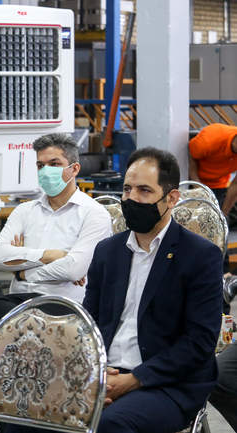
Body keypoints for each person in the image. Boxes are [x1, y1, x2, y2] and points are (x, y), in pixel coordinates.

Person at [82, 147, 223, 433]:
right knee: (23, 414)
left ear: (171, 198)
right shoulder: (108, 251)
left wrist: (134, 380)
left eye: (144, 191)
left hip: (167, 383)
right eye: (127, 189)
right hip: (105, 373)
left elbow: (199, 342)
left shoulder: (200, 255)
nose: (131, 198)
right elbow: (88, 322)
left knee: (110, 424)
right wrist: (94, 372)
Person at [0, 133, 112, 331]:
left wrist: (22, 273)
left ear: (74, 169)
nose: (46, 171)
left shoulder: (94, 214)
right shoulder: (24, 211)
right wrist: (50, 255)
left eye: (54, 164)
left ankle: (23, 339)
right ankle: (28, 338)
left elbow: (73, 270)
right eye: (41, 165)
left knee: (13, 325)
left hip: (64, 305)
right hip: (20, 301)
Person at [188, 123, 237, 212]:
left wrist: (223, 214)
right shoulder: (209, 140)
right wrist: (197, 185)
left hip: (218, 184)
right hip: (193, 180)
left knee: (215, 216)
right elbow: (190, 156)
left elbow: (235, 185)